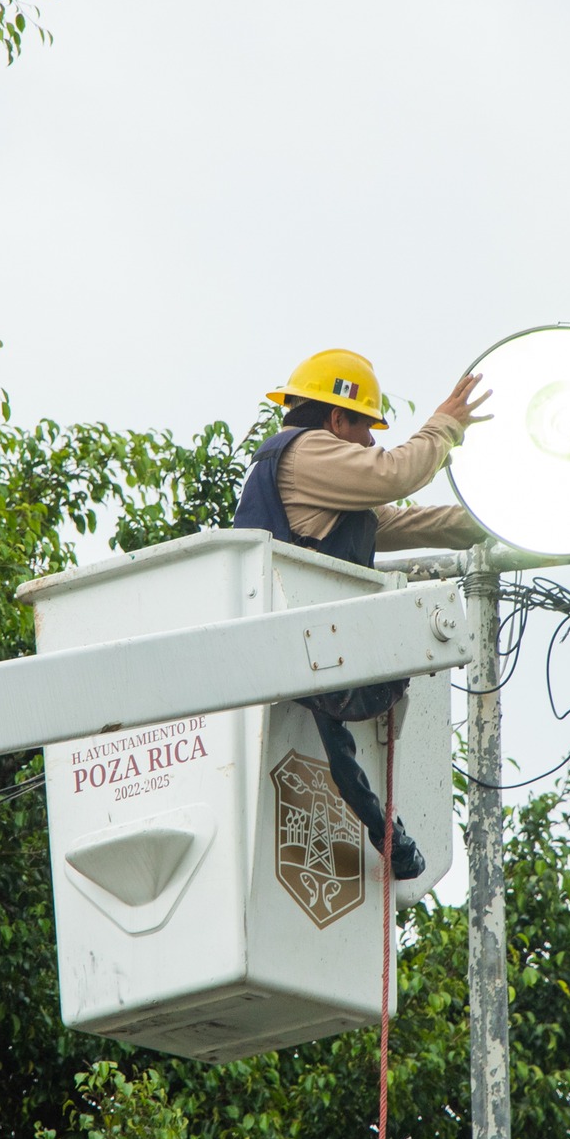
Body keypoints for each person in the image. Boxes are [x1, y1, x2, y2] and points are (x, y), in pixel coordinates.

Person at [232, 348, 492, 880]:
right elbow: (394, 473)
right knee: (345, 757)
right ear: (335, 418)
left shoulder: (317, 480)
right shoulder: (307, 452)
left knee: (346, 762)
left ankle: (388, 835)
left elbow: (399, 523)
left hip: (309, 637)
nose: (371, 441)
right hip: (304, 633)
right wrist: (445, 425)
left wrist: (493, 522)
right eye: (365, 427)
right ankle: (389, 836)